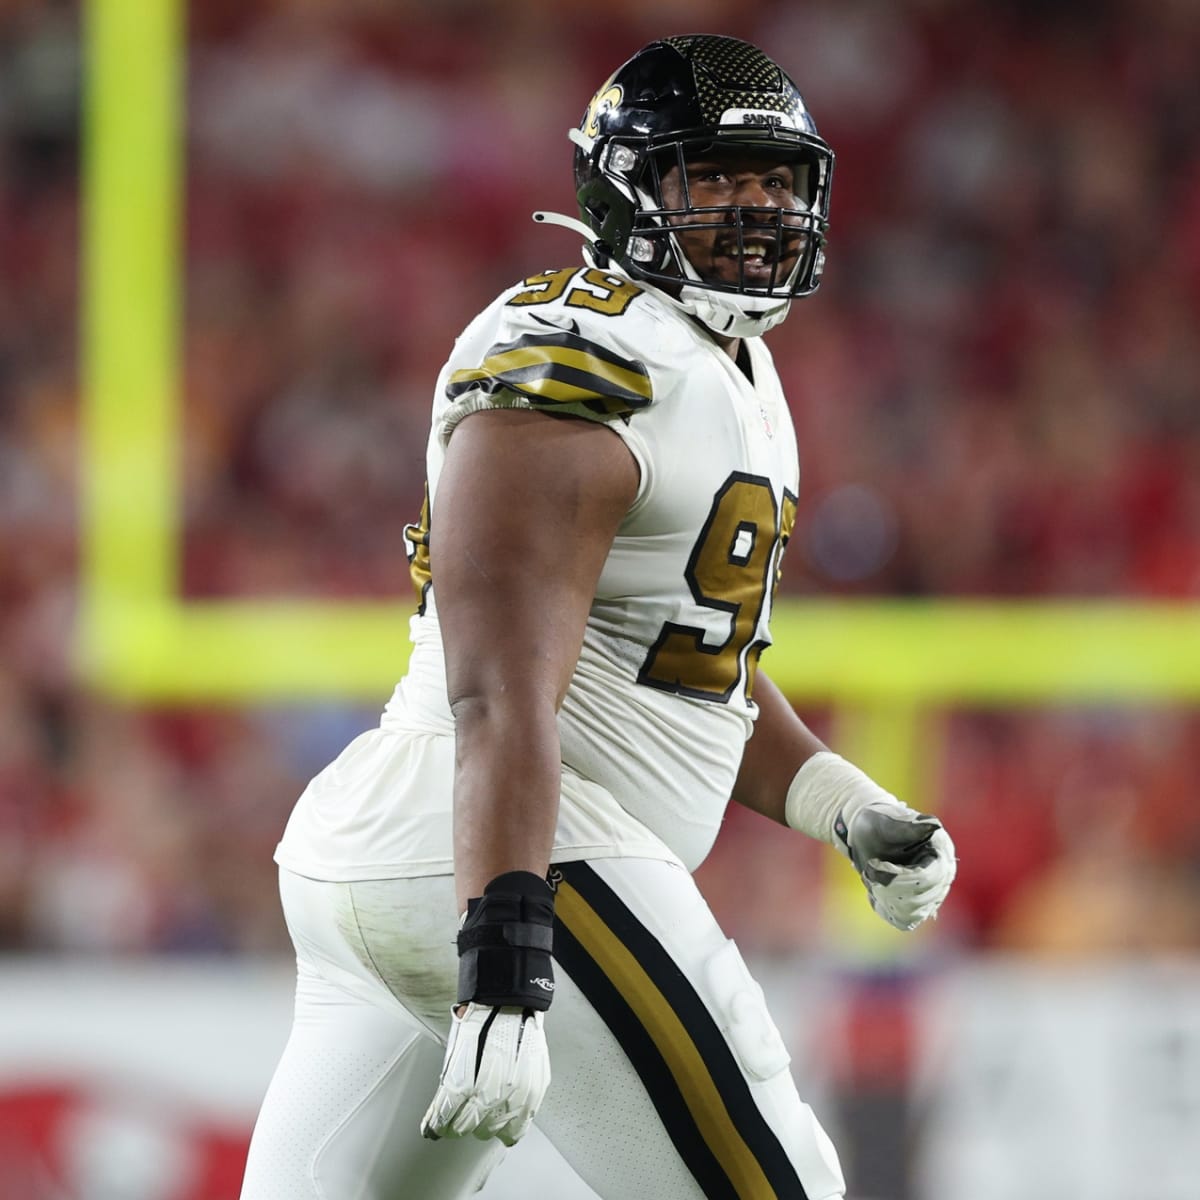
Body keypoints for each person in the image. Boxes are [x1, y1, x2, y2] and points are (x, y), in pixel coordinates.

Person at [239, 33, 957, 1200]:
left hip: (427, 855)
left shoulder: (718, 362)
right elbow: (500, 692)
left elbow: (674, 656)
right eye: (715, 178)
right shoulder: (584, 361)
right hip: (509, 852)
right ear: (627, 191)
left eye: (777, 179)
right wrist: (506, 962)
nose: (758, 208)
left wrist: (836, 798)